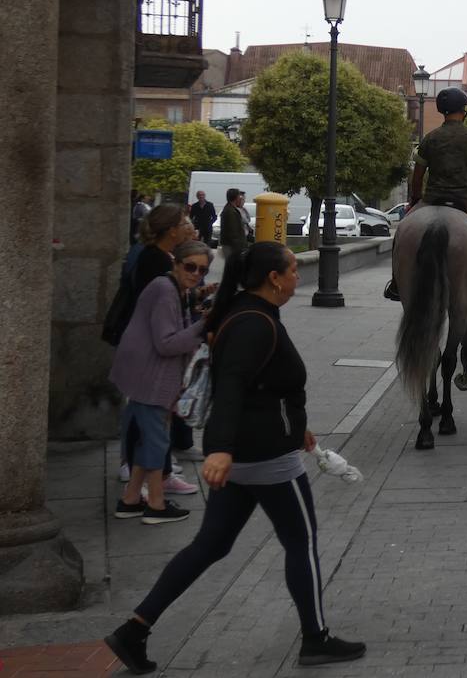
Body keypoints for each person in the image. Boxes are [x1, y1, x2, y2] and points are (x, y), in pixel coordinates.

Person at [103, 242, 366, 673]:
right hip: (264, 459)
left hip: (250, 454)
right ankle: (316, 638)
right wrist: (220, 448)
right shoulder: (253, 323)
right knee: (302, 541)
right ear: (274, 278)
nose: (298, 277)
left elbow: (262, 385)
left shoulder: (246, 311)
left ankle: (134, 630)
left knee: (210, 545)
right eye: (293, 272)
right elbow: (231, 386)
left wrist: (295, 425)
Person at [111, 239, 212, 526]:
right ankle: (155, 504)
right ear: (176, 264)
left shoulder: (173, 288)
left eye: (202, 270)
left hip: (144, 374)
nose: (195, 274)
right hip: (149, 376)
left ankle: (131, 499)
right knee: (156, 439)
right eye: (190, 266)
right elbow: (166, 343)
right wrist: (205, 324)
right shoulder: (165, 290)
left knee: (147, 437)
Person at [123, 205, 203, 499]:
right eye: (183, 222)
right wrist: (200, 326)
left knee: (152, 419)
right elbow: (165, 328)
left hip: (152, 353)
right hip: (152, 356)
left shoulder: (160, 258)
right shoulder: (155, 262)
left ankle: (137, 491)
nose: (187, 225)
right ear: (170, 229)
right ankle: (154, 485)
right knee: (151, 422)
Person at [400, 86, 467, 307]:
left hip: (432, 198)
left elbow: (417, 177)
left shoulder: (430, 138)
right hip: (466, 202)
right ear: (463, 110)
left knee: (402, 232)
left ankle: (396, 283)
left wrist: (416, 200)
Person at [218, 188, 249, 258]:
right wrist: (240, 247)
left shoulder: (231, 209)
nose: (240, 199)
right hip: (232, 246)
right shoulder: (230, 211)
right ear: (236, 198)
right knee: (232, 266)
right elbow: (233, 231)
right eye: (239, 197)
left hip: (231, 245)